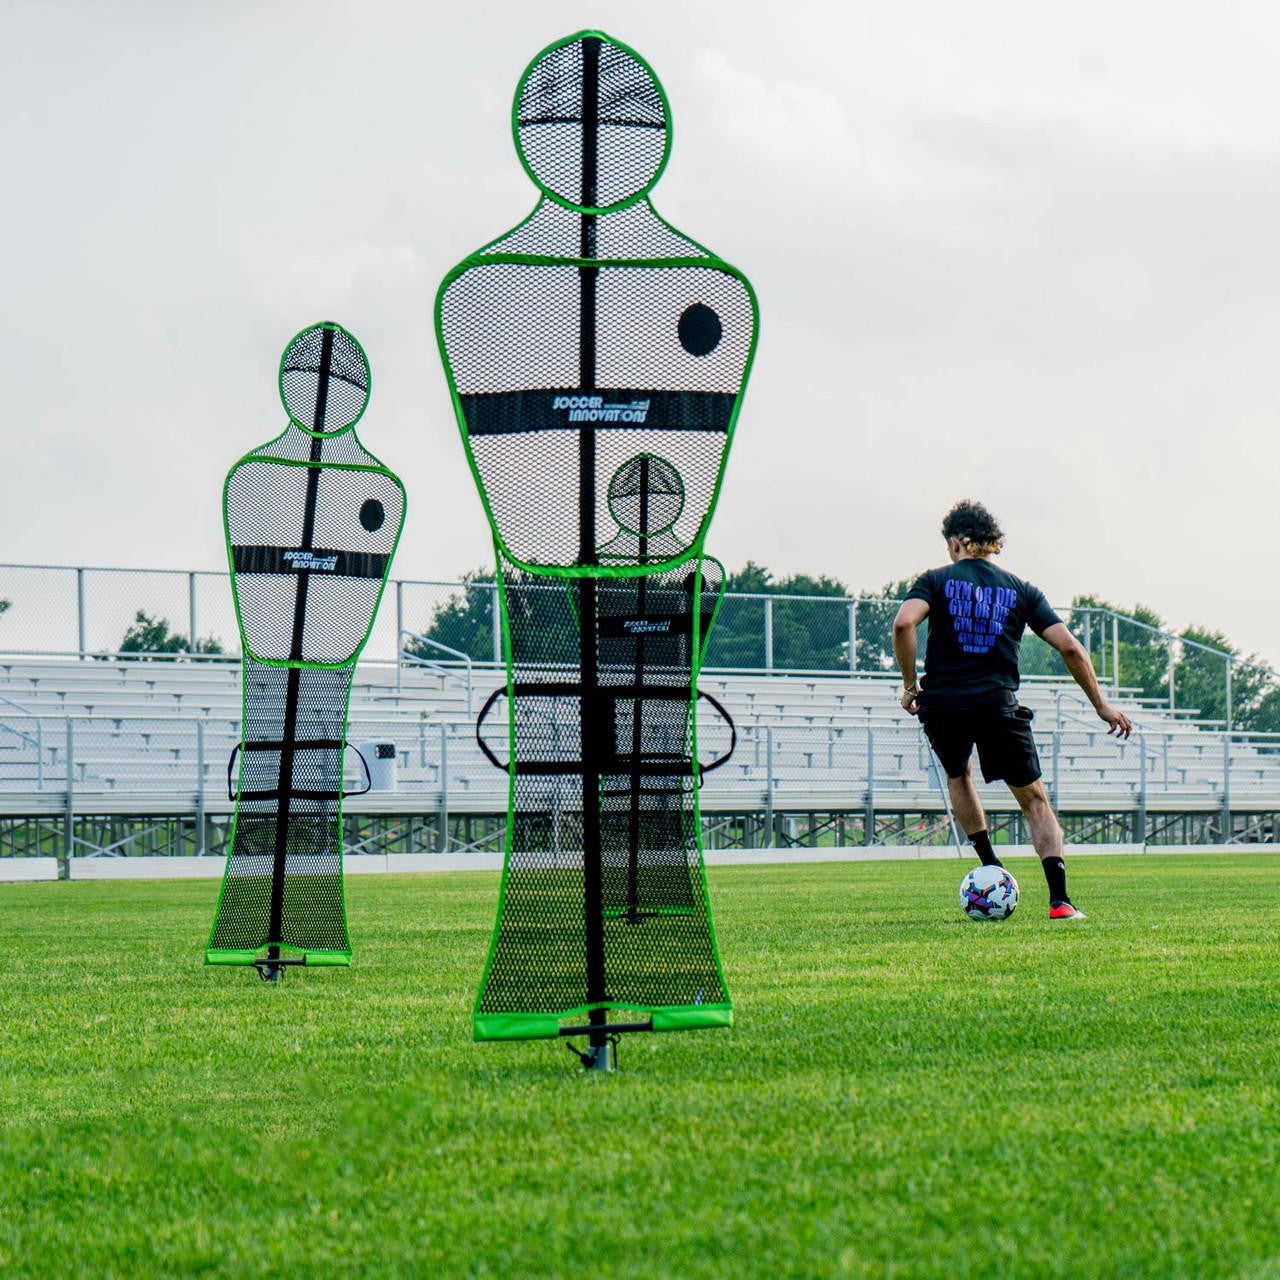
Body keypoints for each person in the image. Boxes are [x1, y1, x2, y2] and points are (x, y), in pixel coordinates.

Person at [892, 499, 1132, 919]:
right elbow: (1070, 648)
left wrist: (911, 684)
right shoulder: (1021, 590)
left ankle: (991, 866)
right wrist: (1102, 706)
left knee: (958, 774)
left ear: (955, 543)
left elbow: (903, 624)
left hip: (943, 702)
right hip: (995, 702)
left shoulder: (934, 579)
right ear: (991, 544)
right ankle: (1060, 901)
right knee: (1034, 799)